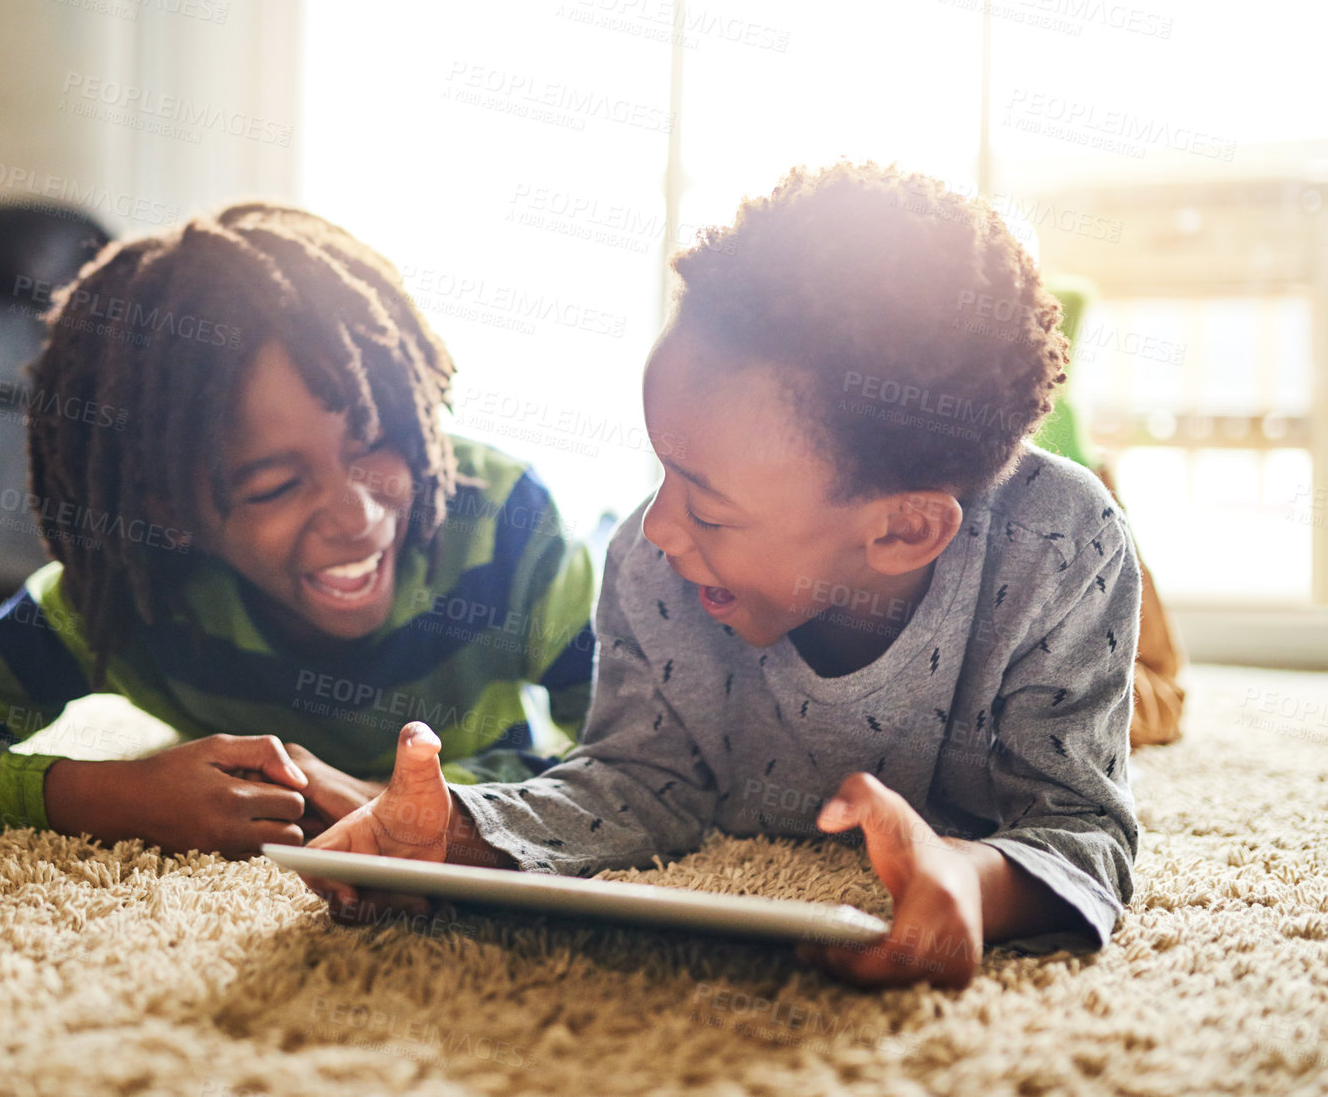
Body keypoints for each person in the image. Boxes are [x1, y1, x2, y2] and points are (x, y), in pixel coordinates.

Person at [300, 165, 1142, 990]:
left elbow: (1079, 826)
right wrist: (456, 834)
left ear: (901, 528)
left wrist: (969, 880)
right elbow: (637, 780)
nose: (659, 528)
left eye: (707, 506)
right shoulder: (655, 565)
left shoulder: (1061, 546)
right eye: (664, 470)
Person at [0, 203, 596, 859]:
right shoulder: (132, 595)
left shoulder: (508, 527)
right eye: (276, 485)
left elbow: (634, 762)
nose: (355, 516)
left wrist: (408, 800)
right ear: (168, 508)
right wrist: (110, 798)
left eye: (373, 440)